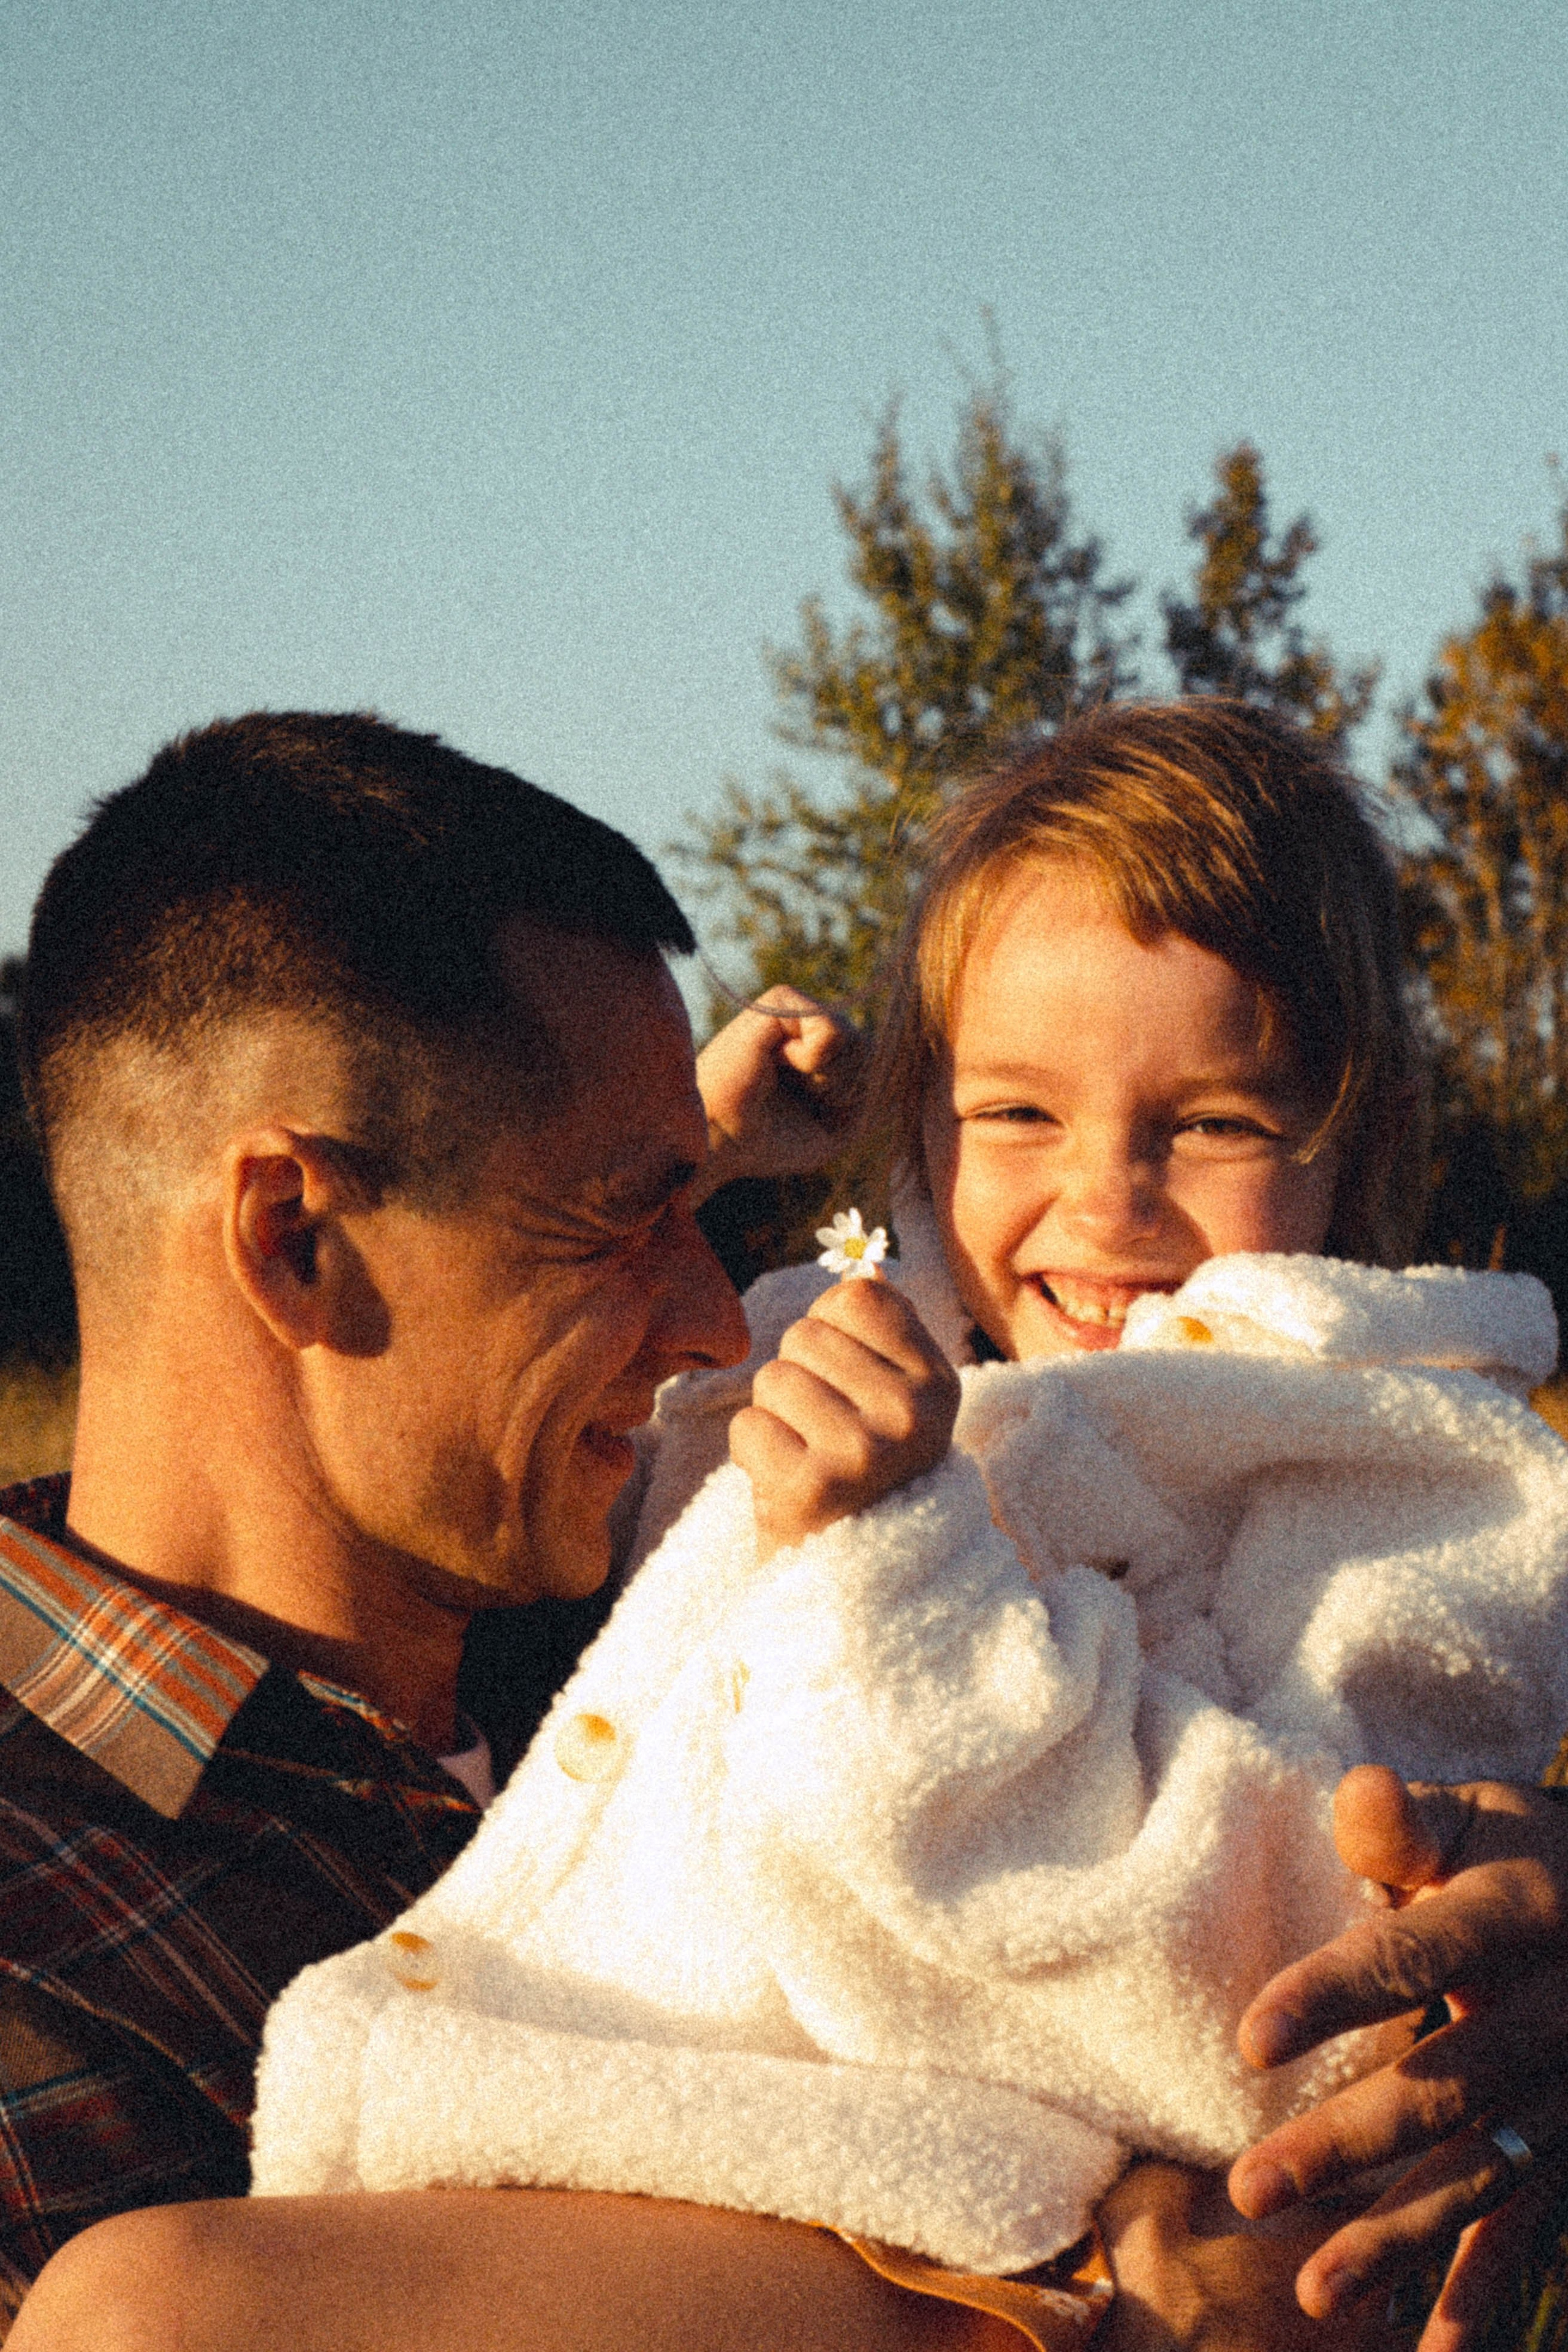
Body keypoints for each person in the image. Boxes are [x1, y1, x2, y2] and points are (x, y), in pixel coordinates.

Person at [11, 704, 1568, 2352]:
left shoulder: (587, 1593)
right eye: (626, 1211)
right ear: (294, 1239)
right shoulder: (46, 1948)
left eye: (701, 1204)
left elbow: (1303, 1903)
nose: (713, 1323)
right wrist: (1103, 2317)